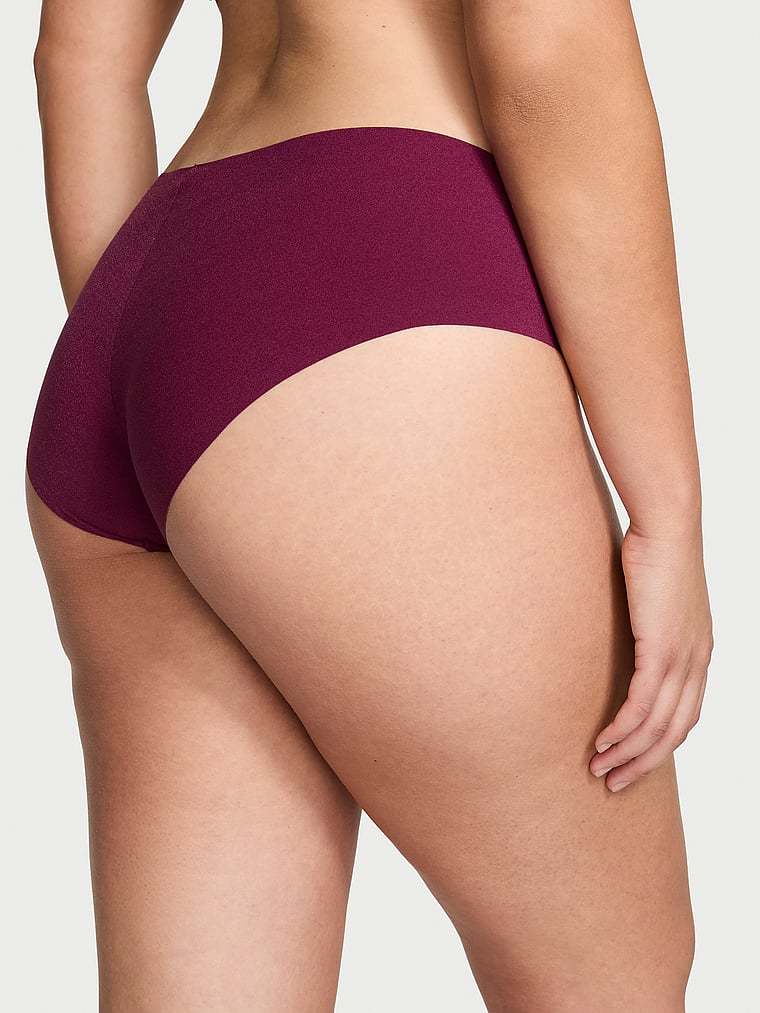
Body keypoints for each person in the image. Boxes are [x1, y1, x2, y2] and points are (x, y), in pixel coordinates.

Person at [26, 1, 713, 1009]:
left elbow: (78, 57)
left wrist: (178, 391)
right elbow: (550, 54)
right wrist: (667, 510)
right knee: (609, 982)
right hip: (371, 279)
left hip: (150, 297)